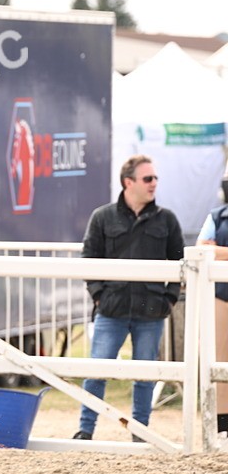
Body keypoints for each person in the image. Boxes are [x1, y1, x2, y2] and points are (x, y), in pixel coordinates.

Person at [74, 155, 184, 441]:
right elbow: (89, 260)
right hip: (111, 309)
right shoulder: (102, 216)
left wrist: (168, 299)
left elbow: (180, 263)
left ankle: (140, 432)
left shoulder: (168, 220)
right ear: (128, 182)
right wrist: (99, 296)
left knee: (145, 376)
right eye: (148, 178)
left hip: (151, 312)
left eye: (155, 178)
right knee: (97, 371)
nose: (154, 184)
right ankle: (85, 430)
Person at [195, 169, 228, 436]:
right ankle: (222, 423)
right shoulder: (217, 216)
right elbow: (203, 248)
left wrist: (220, 252)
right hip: (222, 296)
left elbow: (212, 249)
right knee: (220, 357)